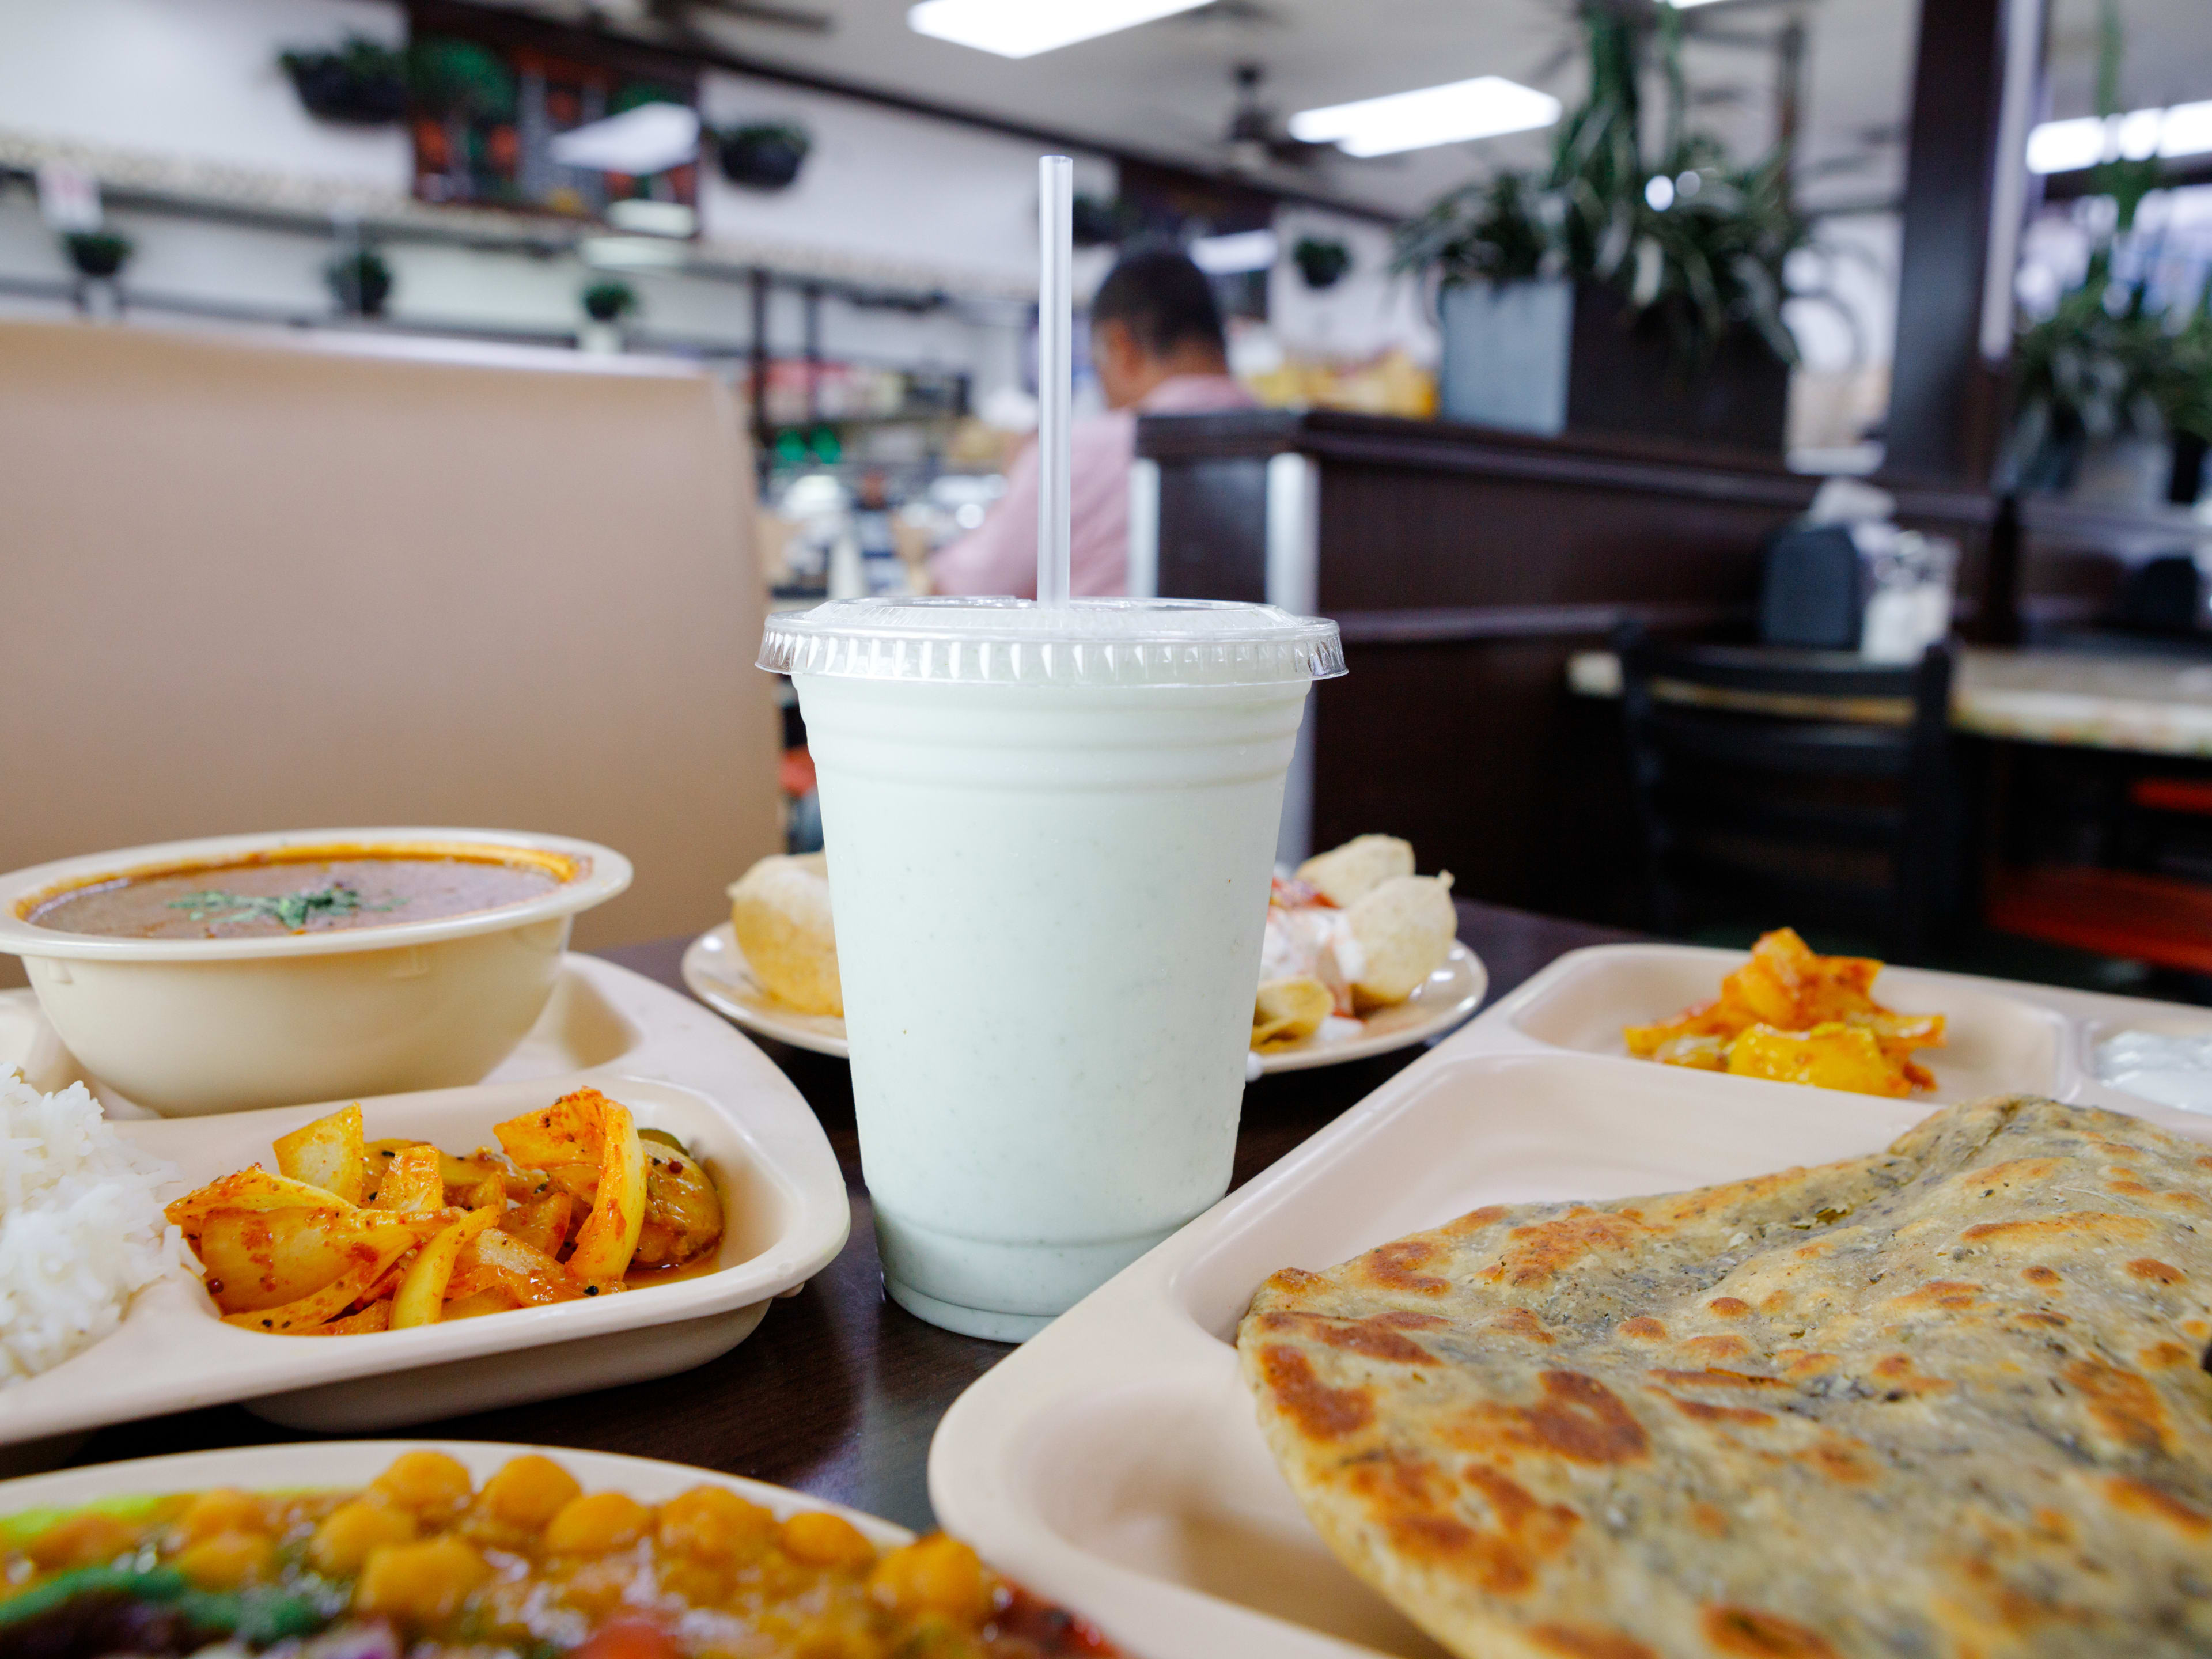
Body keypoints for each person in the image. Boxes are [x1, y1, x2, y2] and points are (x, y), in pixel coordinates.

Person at [929, 248, 1256, 599]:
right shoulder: (1294, 447)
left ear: (1121, 345)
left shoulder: (1082, 453)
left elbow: (959, 596)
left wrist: (1020, 475)